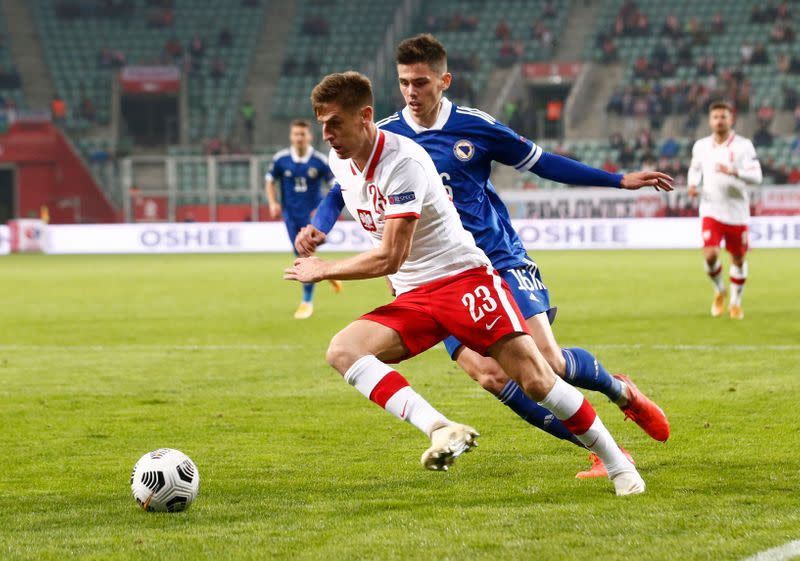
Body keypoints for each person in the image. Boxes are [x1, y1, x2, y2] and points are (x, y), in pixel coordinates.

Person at [297, 34, 672, 479]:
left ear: (444, 81)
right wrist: (320, 224)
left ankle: (618, 389)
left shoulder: (473, 126)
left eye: (421, 82)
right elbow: (343, 190)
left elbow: (542, 161)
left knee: (546, 365)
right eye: (404, 83)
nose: (412, 93)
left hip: (496, 258)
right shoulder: (377, 133)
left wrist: (617, 180)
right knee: (492, 377)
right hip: (429, 280)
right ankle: (605, 453)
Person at [688, 101, 762, 319]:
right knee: (710, 254)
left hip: (737, 212)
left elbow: (757, 176)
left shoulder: (743, 145)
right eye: (716, 117)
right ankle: (720, 290)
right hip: (711, 208)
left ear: (732, 119)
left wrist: (734, 171)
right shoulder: (701, 146)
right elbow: (695, 168)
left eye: (723, 116)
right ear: (710, 121)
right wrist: (693, 184)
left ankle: (736, 302)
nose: (719, 120)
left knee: (738, 259)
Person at [265, 119, 341, 319]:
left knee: (304, 254)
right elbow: (269, 181)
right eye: (296, 134)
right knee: (303, 254)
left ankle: (306, 302)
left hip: (312, 216)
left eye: (303, 134)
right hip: (290, 215)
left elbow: (334, 186)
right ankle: (327, 274)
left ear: (309, 136)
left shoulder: (319, 161)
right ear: (291, 136)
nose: (299, 138)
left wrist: (323, 209)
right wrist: (273, 203)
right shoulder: (281, 159)